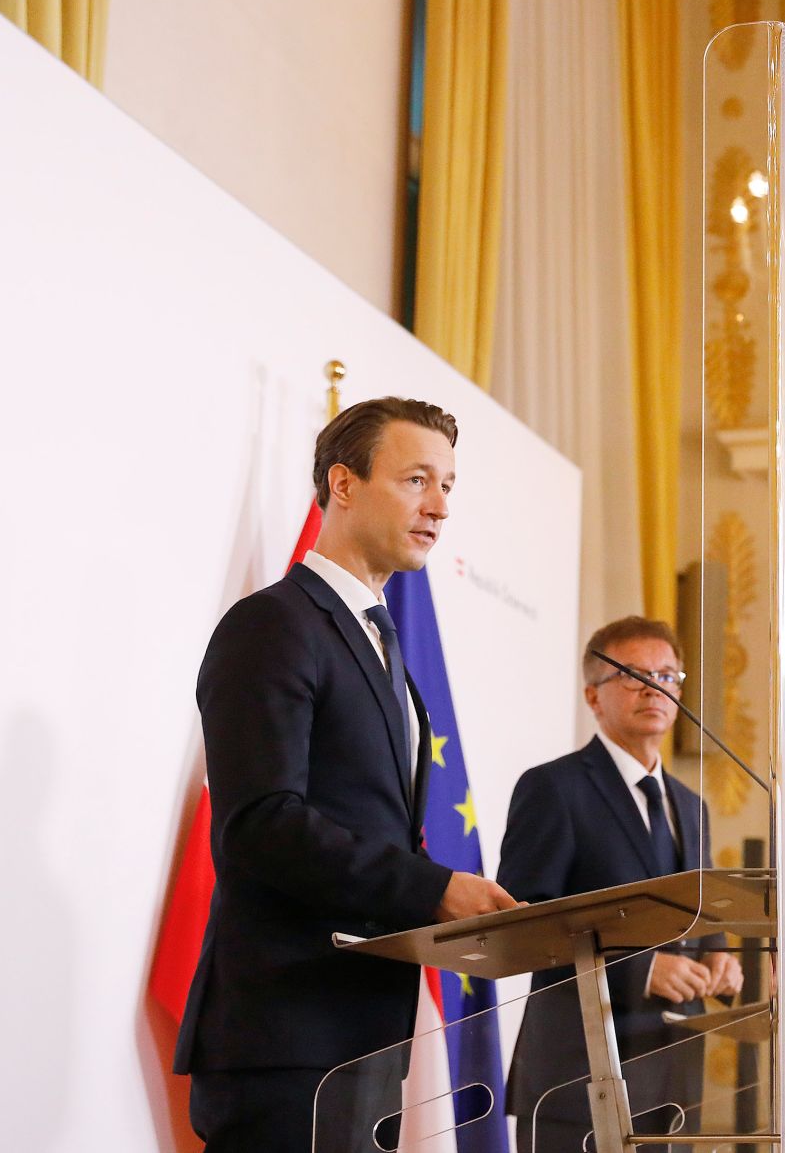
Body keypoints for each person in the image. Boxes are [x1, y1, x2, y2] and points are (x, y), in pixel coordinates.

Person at [174, 397, 519, 1153]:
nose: (439, 507)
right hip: (284, 1037)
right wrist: (434, 888)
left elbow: (370, 826)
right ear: (344, 483)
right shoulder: (272, 625)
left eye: (449, 487)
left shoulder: (386, 649)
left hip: (365, 1030)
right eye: (417, 480)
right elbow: (262, 824)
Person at [498, 616, 743, 1153]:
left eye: (669, 675)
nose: (655, 687)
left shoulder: (691, 807)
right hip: (577, 1077)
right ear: (593, 695)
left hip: (674, 1077)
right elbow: (524, 925)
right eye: (634, 675)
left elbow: (694, 914)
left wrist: (720, 954)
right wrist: (642, 969)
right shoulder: (552, 788)